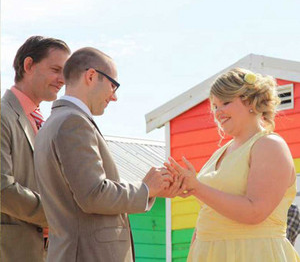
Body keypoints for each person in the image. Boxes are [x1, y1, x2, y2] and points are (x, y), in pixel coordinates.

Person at [34, 47, 175, 262]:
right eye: (113, 85)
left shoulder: (53, 124)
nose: (115, 96)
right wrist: (145, 189)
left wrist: (153, 189)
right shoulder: (73, 123)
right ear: (91, 76)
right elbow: (93, 194)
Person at [166, 68, 300, 261]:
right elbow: (207, 214)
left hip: (253, 254)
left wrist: (197, 187)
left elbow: (255, 212)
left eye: (225, 103)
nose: (218, 112)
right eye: (214, 107)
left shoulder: (269, 145)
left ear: (250, 102)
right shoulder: (221, 152)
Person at [1, 36, 70, 262]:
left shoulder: (48, 122)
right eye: (56, 69)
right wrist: (58, 214)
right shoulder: (3, 116)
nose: (63, 80)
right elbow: (2, 188)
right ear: (28, 65)